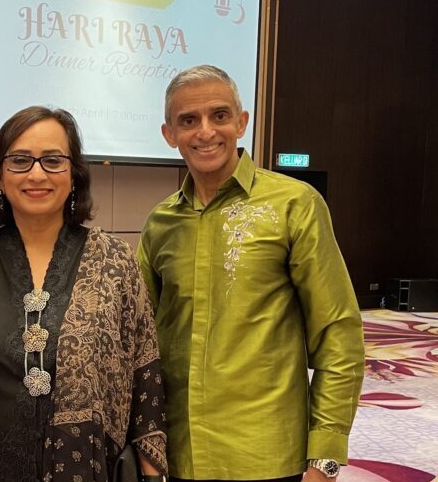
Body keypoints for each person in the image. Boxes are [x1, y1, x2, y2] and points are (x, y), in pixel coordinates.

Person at [137, 65, 364, 482]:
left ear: (242, 123)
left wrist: (325, 459)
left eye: (219, 116)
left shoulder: (294, 204)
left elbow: (339, 335)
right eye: (189, 120)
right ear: (169, 134)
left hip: (268, 454)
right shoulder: (160, 223)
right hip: (181, 452)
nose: (206, 132)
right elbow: (139, 343)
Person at [0, 106, 168, 482]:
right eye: (20, 160)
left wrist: (153, 474)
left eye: (53, 160)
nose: (37, 173)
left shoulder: (115, 262)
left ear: (74, 175)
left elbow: (145, 378)